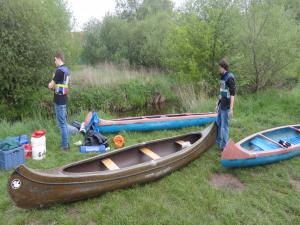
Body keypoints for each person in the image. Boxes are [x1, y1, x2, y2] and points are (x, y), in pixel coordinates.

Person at [48, 52, 70, 151]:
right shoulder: (66, 70)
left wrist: (52, 79)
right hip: (64, 99)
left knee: (62, 124)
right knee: (64, 123)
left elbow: (50, 86)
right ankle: (66, 144)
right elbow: (65, 86)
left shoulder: (59, 71)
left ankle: (65, 146)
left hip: (59, 101)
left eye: (55, 60)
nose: (54, 62)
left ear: (58, 59)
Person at [215, 59, 236, 151]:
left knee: (224, 127)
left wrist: (231, 109)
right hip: (221, 105)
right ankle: (219, 141)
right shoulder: (222, 76)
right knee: (219, 123)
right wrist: (217, 103)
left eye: (220, 67)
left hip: (226, 106)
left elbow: (232, 95)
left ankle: (224, 146)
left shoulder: (230, 78)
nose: (218, 69)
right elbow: (222, 92)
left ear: (223, 67)